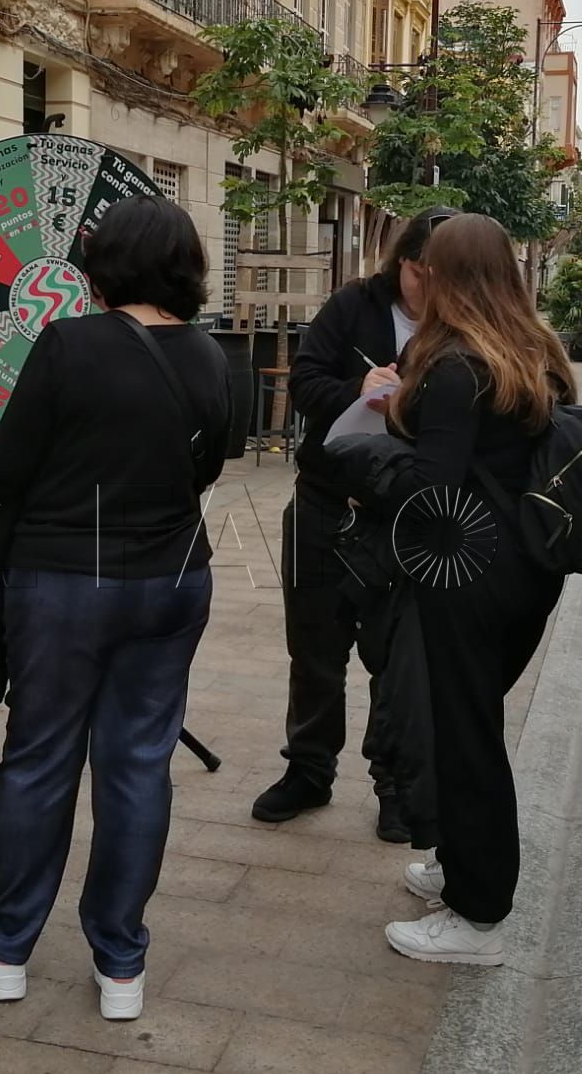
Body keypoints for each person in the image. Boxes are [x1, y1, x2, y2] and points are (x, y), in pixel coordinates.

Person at [0, 196, 229, 1021]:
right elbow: (210, 465)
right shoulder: (211, 356)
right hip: (174, 576)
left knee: (42, 755)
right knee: (137, 761)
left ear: (104, 260)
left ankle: (9, 947)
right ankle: (121, 962)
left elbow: (6, 469)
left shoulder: (69, 344)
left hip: (63, 578)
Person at [371, 214, 572, 966]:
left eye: (424, 266)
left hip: (467, 569)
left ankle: (479, 912)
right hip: (521, 565)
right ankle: (460, 865)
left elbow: (431, 485)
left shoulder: (458, 366)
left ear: (446, 275)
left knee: (466, 735)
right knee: (472, 718)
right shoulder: (530, 348)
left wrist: (370, 464)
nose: (413, 277)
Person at [252, 206, 458, 841]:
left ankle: (393, 785)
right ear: (404, 263)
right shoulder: (353, 306)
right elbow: (305, 383)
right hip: (325, 501)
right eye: (422, 274)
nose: (429, 289)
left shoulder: (463, 326)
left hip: (403, 518)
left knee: (393, 659)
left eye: (443, 277)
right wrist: (356, 387)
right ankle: (309, 769)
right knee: (314, 649)